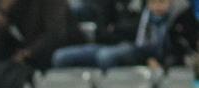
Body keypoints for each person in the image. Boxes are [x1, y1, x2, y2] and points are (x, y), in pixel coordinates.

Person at [52, 0, 187, 69]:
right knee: (60, 57)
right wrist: (117, 32)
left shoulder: (147, 6)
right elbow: (102, 30)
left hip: (134, 47)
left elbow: (142, 35)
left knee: (105, 56)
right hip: (107, 44)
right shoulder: (109, 2)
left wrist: (116, 29)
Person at [0, 0, 85, 70]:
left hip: (62, 49)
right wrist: (3, 12)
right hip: (32, 56)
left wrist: (27, 54)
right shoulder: (13, 5)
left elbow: (56, 34)